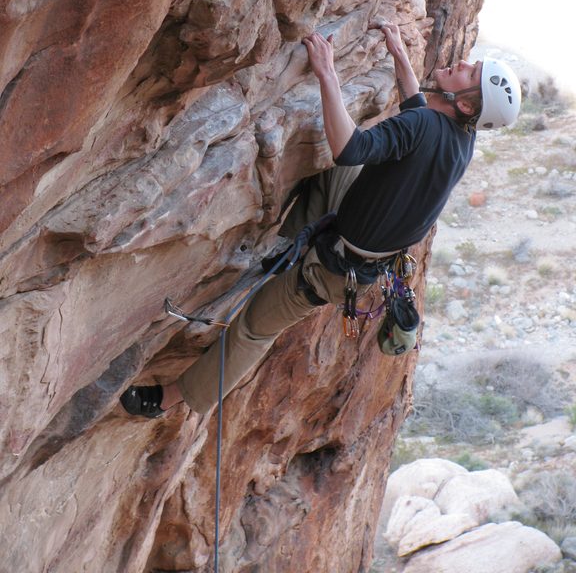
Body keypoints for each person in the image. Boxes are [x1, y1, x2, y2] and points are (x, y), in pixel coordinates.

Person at [120, 22, 521, 418]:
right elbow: (417, 106)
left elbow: (349, 148)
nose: (464, 63)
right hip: (361, 235)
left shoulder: (424, 127)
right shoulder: (461, 138)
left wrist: (327, 72)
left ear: (465, 104)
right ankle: (285, 245)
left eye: (471, 73)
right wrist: (400, 54)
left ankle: (171, 399)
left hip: (333, 270)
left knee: (255, 328)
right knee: (331, 169)